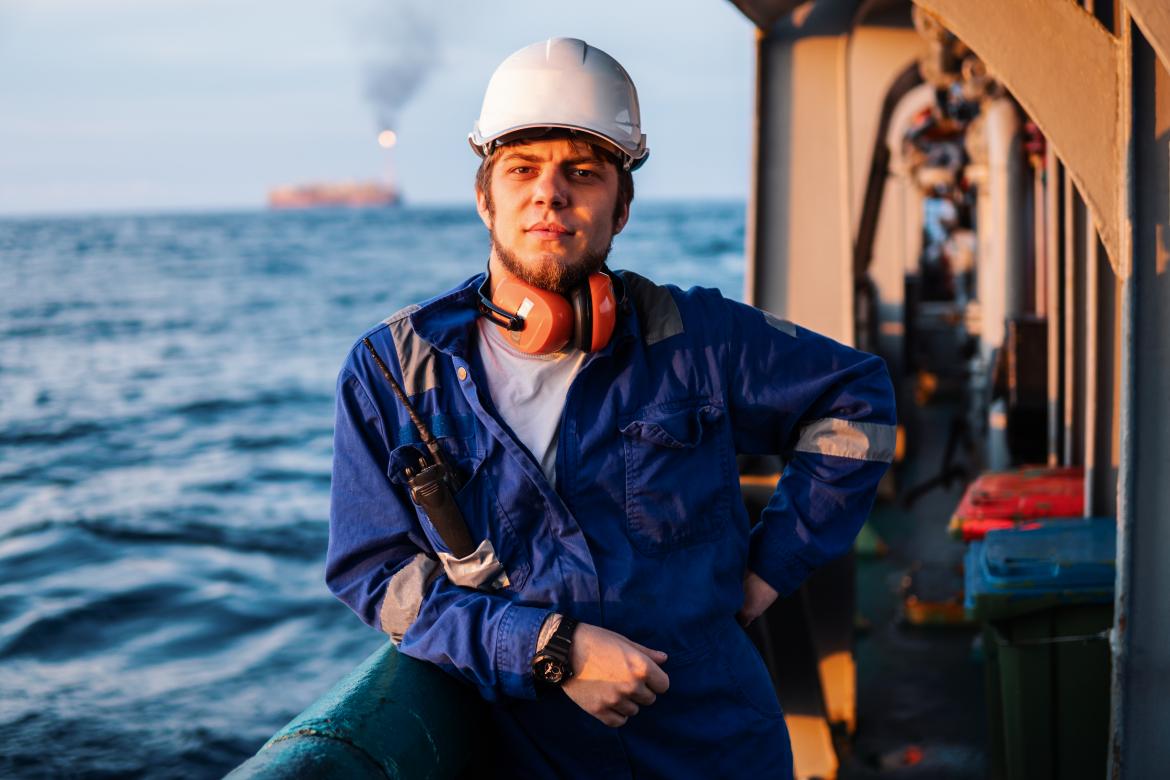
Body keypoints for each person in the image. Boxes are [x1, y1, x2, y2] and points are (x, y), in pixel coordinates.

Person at [327, 37, 895, 778]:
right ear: (483, 197)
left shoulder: (698, 340)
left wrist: (768, 570)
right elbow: (377, 577)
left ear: (620, 207)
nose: (550, 194)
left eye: (583, 174)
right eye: (522, 170)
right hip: (527, 755)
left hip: (713, 748)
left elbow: (858, 398)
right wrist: (548, 649)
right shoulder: (393, 374)